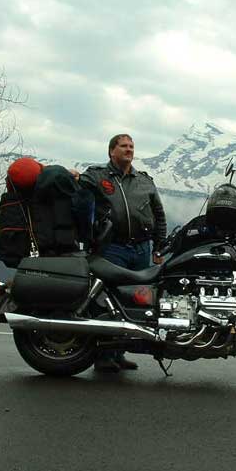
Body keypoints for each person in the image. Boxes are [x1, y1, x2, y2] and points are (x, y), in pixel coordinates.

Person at [79, 133, 167, 372]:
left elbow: (158, 214)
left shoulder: (144, 180)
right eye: (123, 146)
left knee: (134, 302)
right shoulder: (98, 176)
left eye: (131, 146)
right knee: (109, 302)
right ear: (111, 151)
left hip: (141, 248)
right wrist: (72, 175)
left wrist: (160, 247)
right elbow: (79, 189)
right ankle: (103, 356)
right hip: (113, 247)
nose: (129, 150)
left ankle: (119, 353)